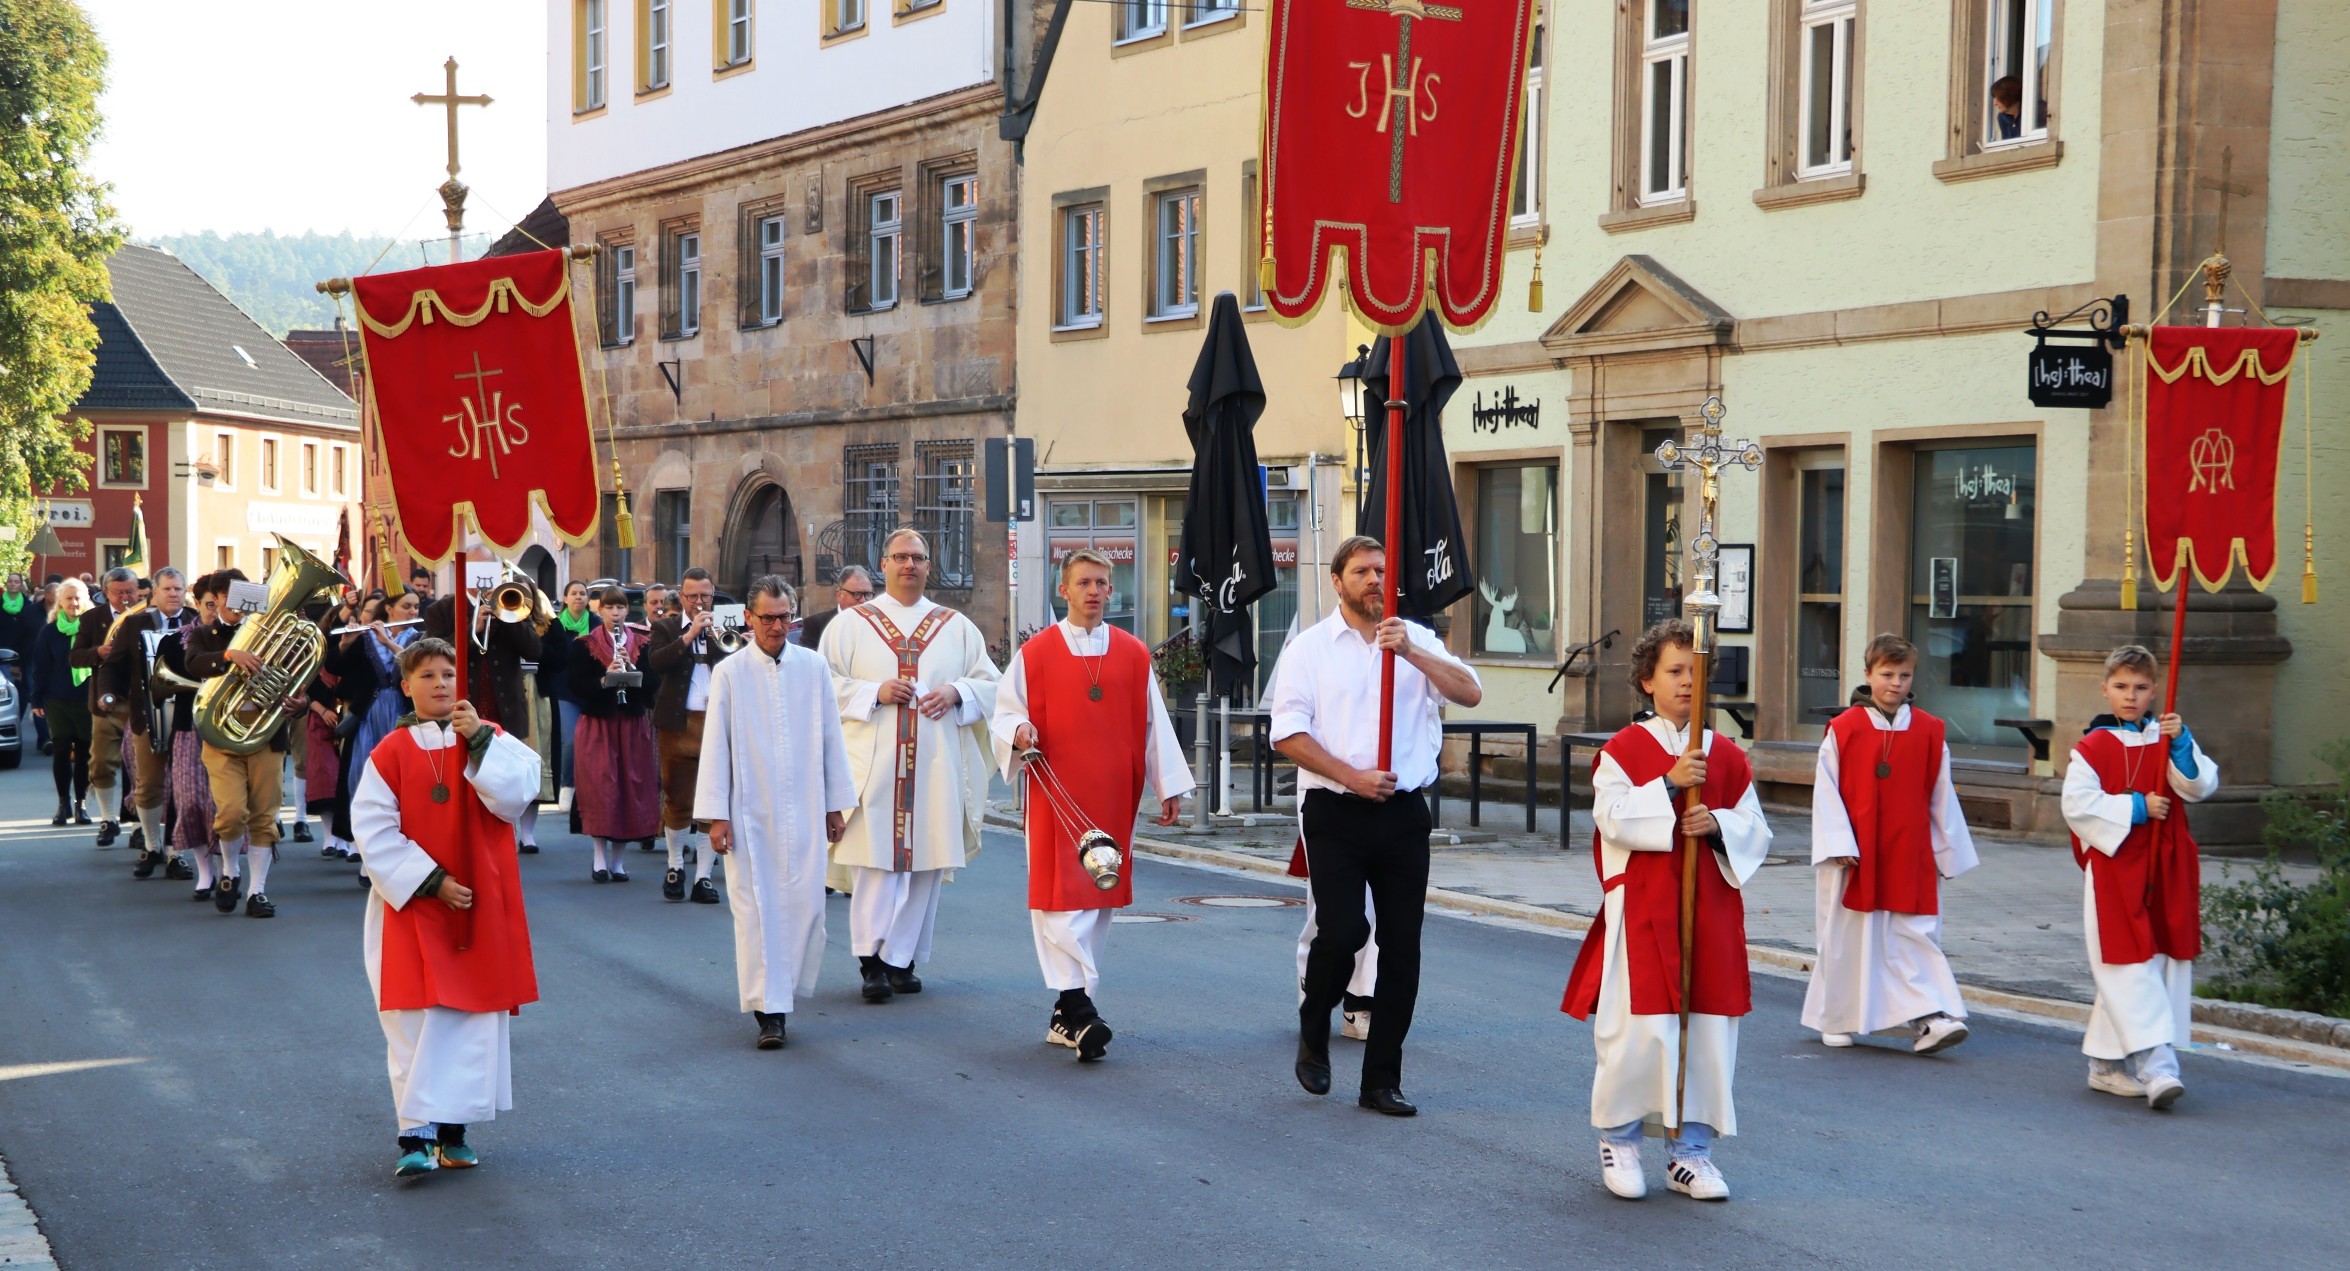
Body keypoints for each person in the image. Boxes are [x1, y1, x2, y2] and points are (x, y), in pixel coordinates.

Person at [1270, 536, 1482, 1118]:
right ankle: (1314, 1027)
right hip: (1336, 809)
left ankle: (1381, 1079)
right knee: (1341, 932)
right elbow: (1287, 733)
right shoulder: (1310, 650)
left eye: (1382, 570)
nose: (1373, 579)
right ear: (1337, 582)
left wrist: (1412, 651)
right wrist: (1351, 776)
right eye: (1361, 570)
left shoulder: (1417, 640)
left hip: (1404, 812)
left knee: (1402, 948)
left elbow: (1469, 691)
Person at [1560, 620, 1770, 1202]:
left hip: (1710, 912)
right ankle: (1621, 1140)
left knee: (1706, 1032)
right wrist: (1672, 787)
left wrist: (1720, 825)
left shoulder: (1726, 754)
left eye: (1696, 672)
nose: (1686, 682)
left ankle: (1691, 1153)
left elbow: (1757, 830)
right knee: (1639, 1031)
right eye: (1674, 671)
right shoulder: (1623, 752)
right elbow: (1612, 818)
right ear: (1647, 681)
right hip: (1645, 911)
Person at [352, 637, 542, 1178]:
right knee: (416, 1019)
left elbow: (517, 793)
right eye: (427, 675)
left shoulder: (489, 738)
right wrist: (432, 881)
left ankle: (453, 1130)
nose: (439, 683)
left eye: (448, 674)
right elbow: (372, 828)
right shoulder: (389, 752)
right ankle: (414, 1134)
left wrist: (479, 740)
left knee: (467, 1019)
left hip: (479, 902)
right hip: (414, 905)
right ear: (406, 686)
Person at [992, 550, 1191, 1061]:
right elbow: (1004, 712)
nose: (1095, 591)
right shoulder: (1035, 654)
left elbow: (1154, 724)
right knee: (1061, 898)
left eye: (1103, 582)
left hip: (1111, 794)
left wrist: (1167, 785)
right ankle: (1078, 1008)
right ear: (1065, 590)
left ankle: (1070, 1012)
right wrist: (1017, 730)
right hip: (1056, 795)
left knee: (1098, 896)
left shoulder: (1131, 652)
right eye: (1084, 582)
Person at [819, 527, 1000, 1002]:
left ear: (928, 565)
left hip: (933, 769)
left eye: (918, 557)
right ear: (883, 564)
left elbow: (992, 684)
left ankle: (903, 960)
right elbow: (821, 686)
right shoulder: (852, 624)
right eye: (900, 556)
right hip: (873, 766)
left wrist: (957, 692)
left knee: (925, 866)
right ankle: (870, 961)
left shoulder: (956, 626)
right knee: (875, 864)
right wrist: (871, 692)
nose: (909, 565)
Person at [696, 576, 855, 1049]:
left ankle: (783, 995)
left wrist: (835, 805)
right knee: (756, 910)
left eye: (785, 617)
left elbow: (831, 737)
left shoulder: (813, 667)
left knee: (806, 907)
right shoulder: (730, 673)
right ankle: (770, 1011)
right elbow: (716, 747)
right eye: (768, 618)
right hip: (749, 810)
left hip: (805, 806)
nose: (778, 626)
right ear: (749, 618)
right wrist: (716, 816)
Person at [1801, 634, 1978, 1054]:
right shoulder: (1843, 730)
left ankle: (1931, 1016)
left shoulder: (1931, 731)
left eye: (1904, 675)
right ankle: (1836, 1016)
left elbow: (1941, 795)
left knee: (1912, 935)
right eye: (1886, 674)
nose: (1895, 683)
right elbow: (1825, 791)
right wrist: (1838, 841)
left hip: (1909, 851)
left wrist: (1946, 852)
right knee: (1847, 939)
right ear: (1867, 675)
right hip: (1856, 855)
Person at [2060, 645, 2217, 1110]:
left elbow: (2199, 786)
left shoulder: (2167, 737)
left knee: (2153, 960)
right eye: (2122, 687)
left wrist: (2184, 741)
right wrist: (2135, 806)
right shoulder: (2090, 747)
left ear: (2155, 691)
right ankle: (2157, 1066)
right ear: (2106, 688)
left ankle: (2105, 1065)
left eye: (2142, 688)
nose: (2131, 696)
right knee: (2127, 963)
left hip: (2165, 863)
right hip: (2116, 867)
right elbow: (2077, 806)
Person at [185, 568, 313, 918]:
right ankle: (230, 873)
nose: (242, 603)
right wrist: (229, 655)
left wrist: (301, 704)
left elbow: (297, 676)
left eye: (247, 594)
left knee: (264, 817)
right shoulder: (205, 634)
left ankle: (257, 891)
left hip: (266, 732)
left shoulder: (275, 635)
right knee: (230, 813)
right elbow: (192, 662)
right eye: (233, 596)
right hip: (222, 733)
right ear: (218, 599)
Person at [101, 566, 199, 878]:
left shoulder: (196, 622)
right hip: (147, 715)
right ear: (153, 594)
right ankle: (153, 846)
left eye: (178, 589)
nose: (173, 594)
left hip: (188, 717)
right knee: (149, 785)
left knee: (183, 788)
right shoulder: (134, 624)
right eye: (167, 589)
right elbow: (112, 665)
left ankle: (175, 853)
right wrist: (107, 694)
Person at [643, 567, 728, 902]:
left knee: (712, 799)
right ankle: (675, 865)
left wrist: (726, 640)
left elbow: (739, 664)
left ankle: (703, 877)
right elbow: (657, 663)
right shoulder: (664, 627)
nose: (698, 601)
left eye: (705, 595)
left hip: (716, 724)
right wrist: (690, 634)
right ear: (681, 596)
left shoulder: (725, 627)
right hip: (677, 724)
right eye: (692, 596)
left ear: (713, 594)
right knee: (677, 798)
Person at [567, 585, 660, 882]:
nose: (616, 613)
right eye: (610, 608)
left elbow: (653, 684)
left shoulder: (642, 643)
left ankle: (618, 862)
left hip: (631, 722)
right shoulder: (584, 644)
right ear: (600, 610)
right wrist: (606, 677)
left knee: (629, 786)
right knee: (600, 787)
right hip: (599, 723)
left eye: (620, 608)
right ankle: (598, 858)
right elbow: (575, 684)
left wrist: (633, 670)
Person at [158, 574, 223, 900]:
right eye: (208, 604)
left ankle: (228, 871)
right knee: (191, 801)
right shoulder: (175, 640)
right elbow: (161, 684)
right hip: (189, 727)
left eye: (218, 604)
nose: (214, 610)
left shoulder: (236, 638)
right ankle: (204, 870)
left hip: (227, 729)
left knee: (223, 805)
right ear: (196, 604)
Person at [71, 567, 140, 847]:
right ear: (106, 593)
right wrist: (97, 652)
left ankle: (139, 825)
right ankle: (108, 819)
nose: (126, 597)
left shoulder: (148, 615)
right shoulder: (93, 618)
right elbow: (75, 658)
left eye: (130, 591)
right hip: (107, 701)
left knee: (143, 768)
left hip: (141, 701)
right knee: (100, 763)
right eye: (119, 592)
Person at [28, 579, 95, 827]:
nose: (74, 603)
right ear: (60, 602)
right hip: (57, 700)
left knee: (85, 754)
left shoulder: (93, 629)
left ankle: (81, 804)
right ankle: (63, 803)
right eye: (68, 598)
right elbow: (40, 668)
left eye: (78, 598)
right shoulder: (50, 632)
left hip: (87, 699)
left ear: (85, 600)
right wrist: (36, 698)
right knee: (61, 752)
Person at [538, 579, 592, 814]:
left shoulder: (597, 624)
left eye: (582, 593)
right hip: (564, 691)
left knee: (592, 744)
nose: (579, 597)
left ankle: (588, 791)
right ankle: (567, 787)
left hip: (591, 692)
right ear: (566, 598)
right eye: (574, 593)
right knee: (570, 741)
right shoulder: (556, 625)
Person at [796, 566, 874, 656]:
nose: (863, 600)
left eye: (867, 594)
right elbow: (805, 659)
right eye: (857, 594)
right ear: (839, 595)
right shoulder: (815, 624)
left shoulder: (878, 623)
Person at [1990, 75, 2023, 141]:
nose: (1995, 103)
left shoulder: (2034, 112)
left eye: (1998, 98)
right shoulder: (2003, 118)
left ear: (2009, 96)